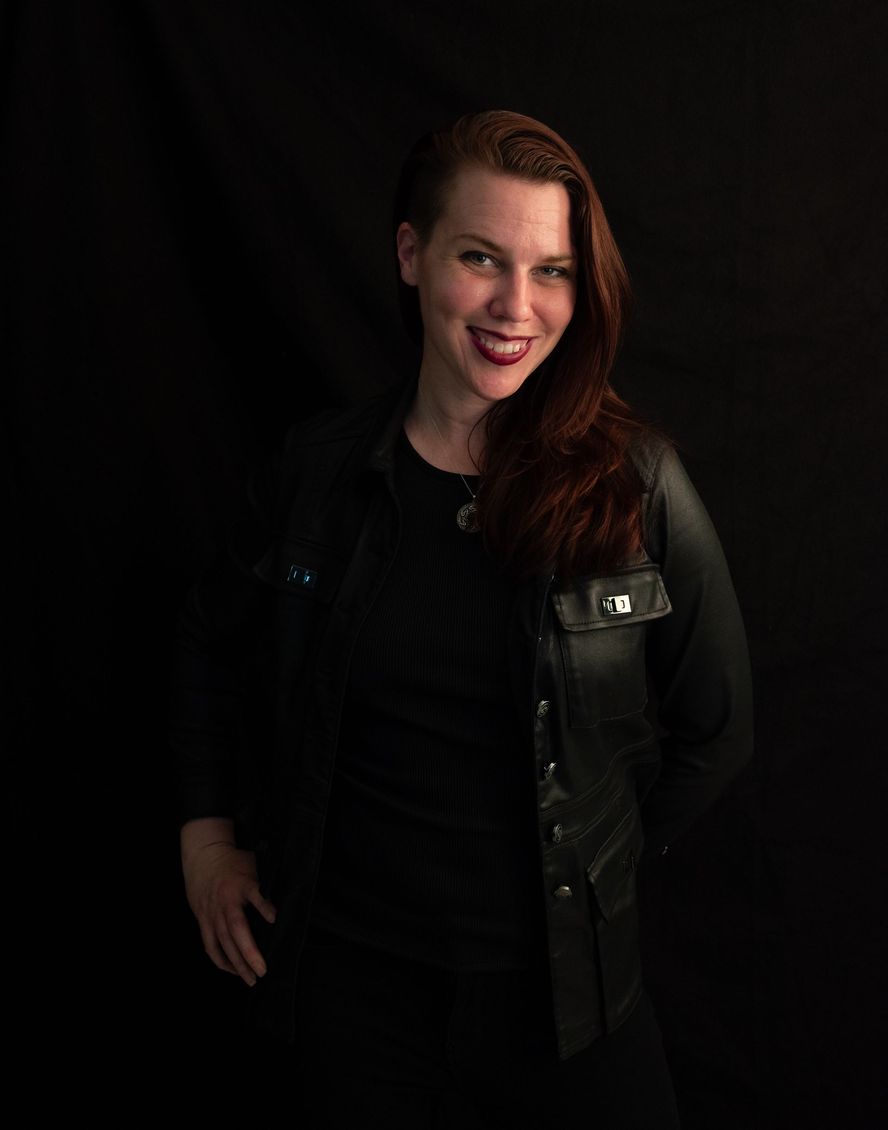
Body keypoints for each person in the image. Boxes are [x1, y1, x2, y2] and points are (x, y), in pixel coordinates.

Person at [174, 110, 753, 1127]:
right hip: (350, 999)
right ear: (411, 253)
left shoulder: (639, 487)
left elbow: (715, 727)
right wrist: (207, 841)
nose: (515, 306)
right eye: (481, 257)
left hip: (567, 1006)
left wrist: (591, 858)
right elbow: (208, 653)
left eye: (553, 269)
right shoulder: (315, 474)